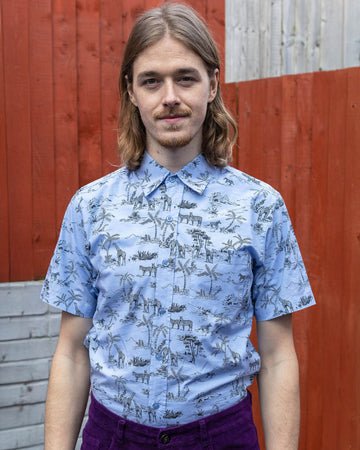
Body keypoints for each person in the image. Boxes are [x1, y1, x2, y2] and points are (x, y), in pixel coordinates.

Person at [42, 2, 315, 449]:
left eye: (185, 77)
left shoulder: (260, 207)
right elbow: (72, 353)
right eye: (152, 80)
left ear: (212, 85)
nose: (170, 96)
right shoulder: (90, 207)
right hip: (113, 436)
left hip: (221, 436)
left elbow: (277, 354)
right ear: (132, 92)